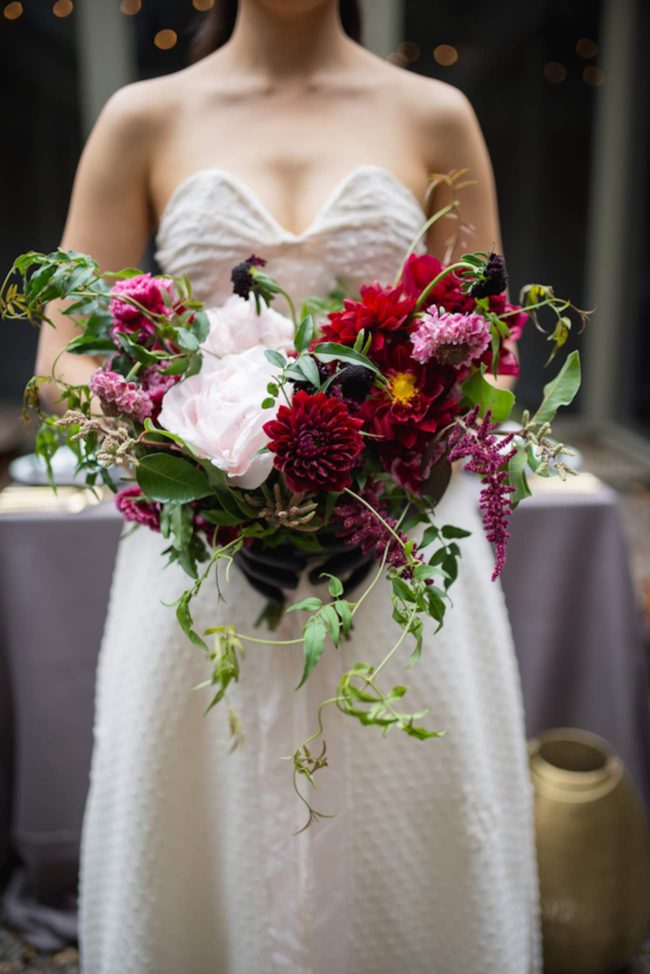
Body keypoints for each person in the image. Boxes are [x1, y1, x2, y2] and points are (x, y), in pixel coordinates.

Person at [36, 1, 542, 971]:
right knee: (196, 828)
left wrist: (393, 476)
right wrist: (194, 469)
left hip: (399, 544)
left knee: (410, 815)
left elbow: (490, 351)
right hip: (205, 552)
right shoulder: (144, 115)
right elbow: (60, 358)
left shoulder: (435, 112)